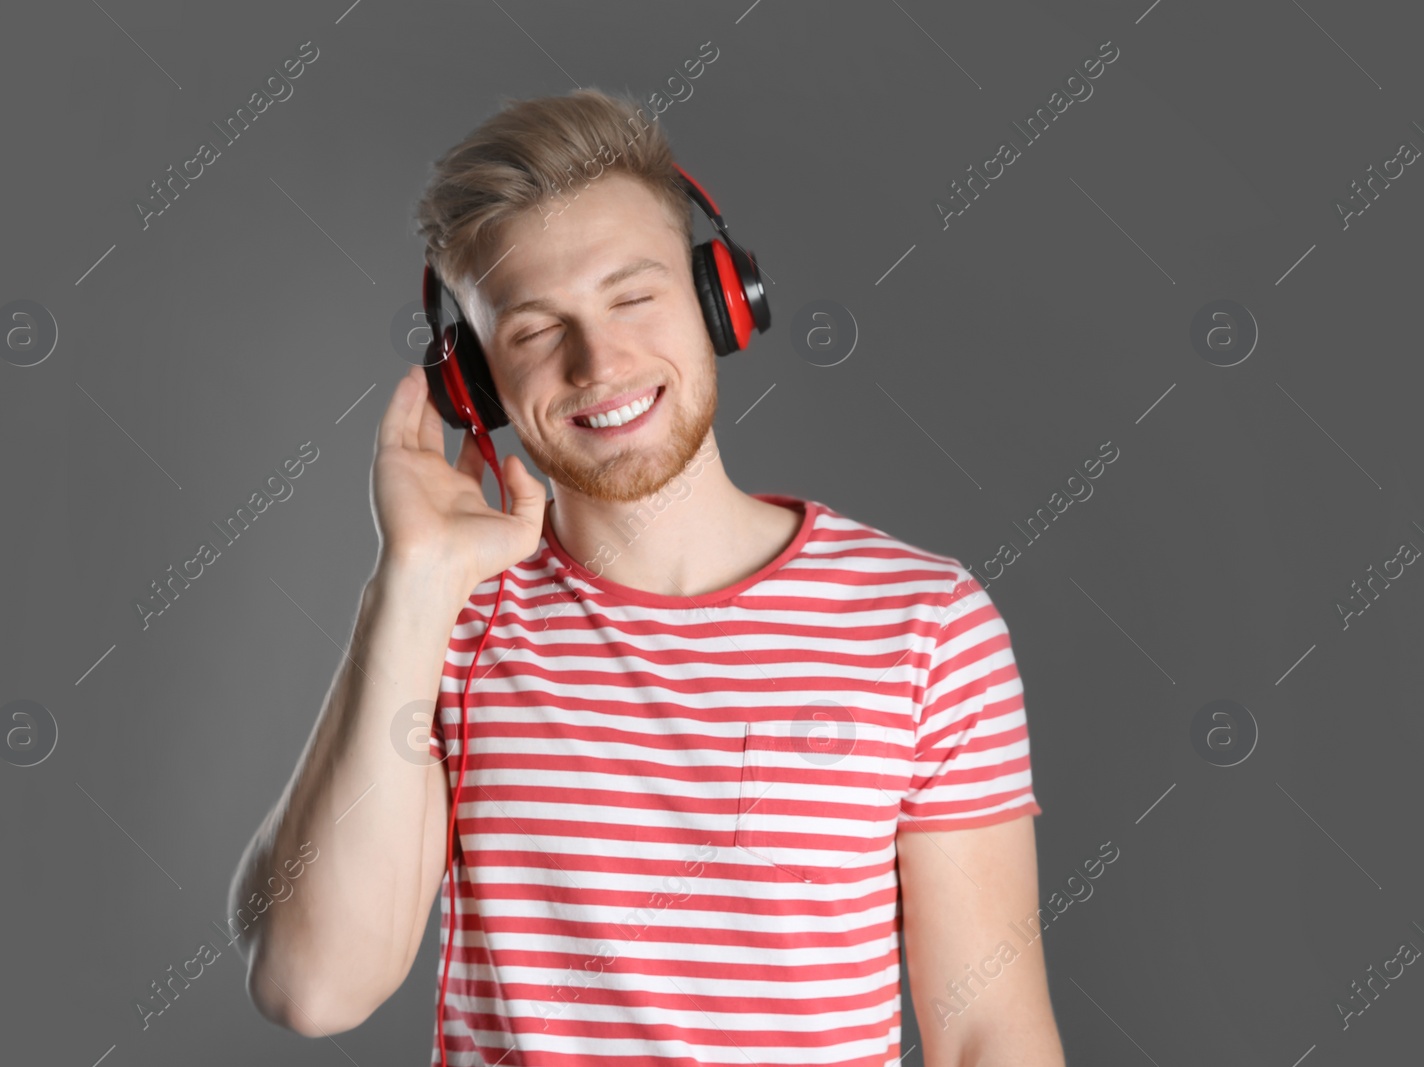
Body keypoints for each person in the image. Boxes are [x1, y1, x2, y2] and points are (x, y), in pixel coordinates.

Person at [229, 87, 1064, 1067]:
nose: (600, 361)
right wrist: (411, 577)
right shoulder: (449, 619)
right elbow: (313, 985)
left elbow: (988, 1033)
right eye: (536, 329)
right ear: (475, 382)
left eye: (633, 296)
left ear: (721, 299)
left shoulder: (926, 623)